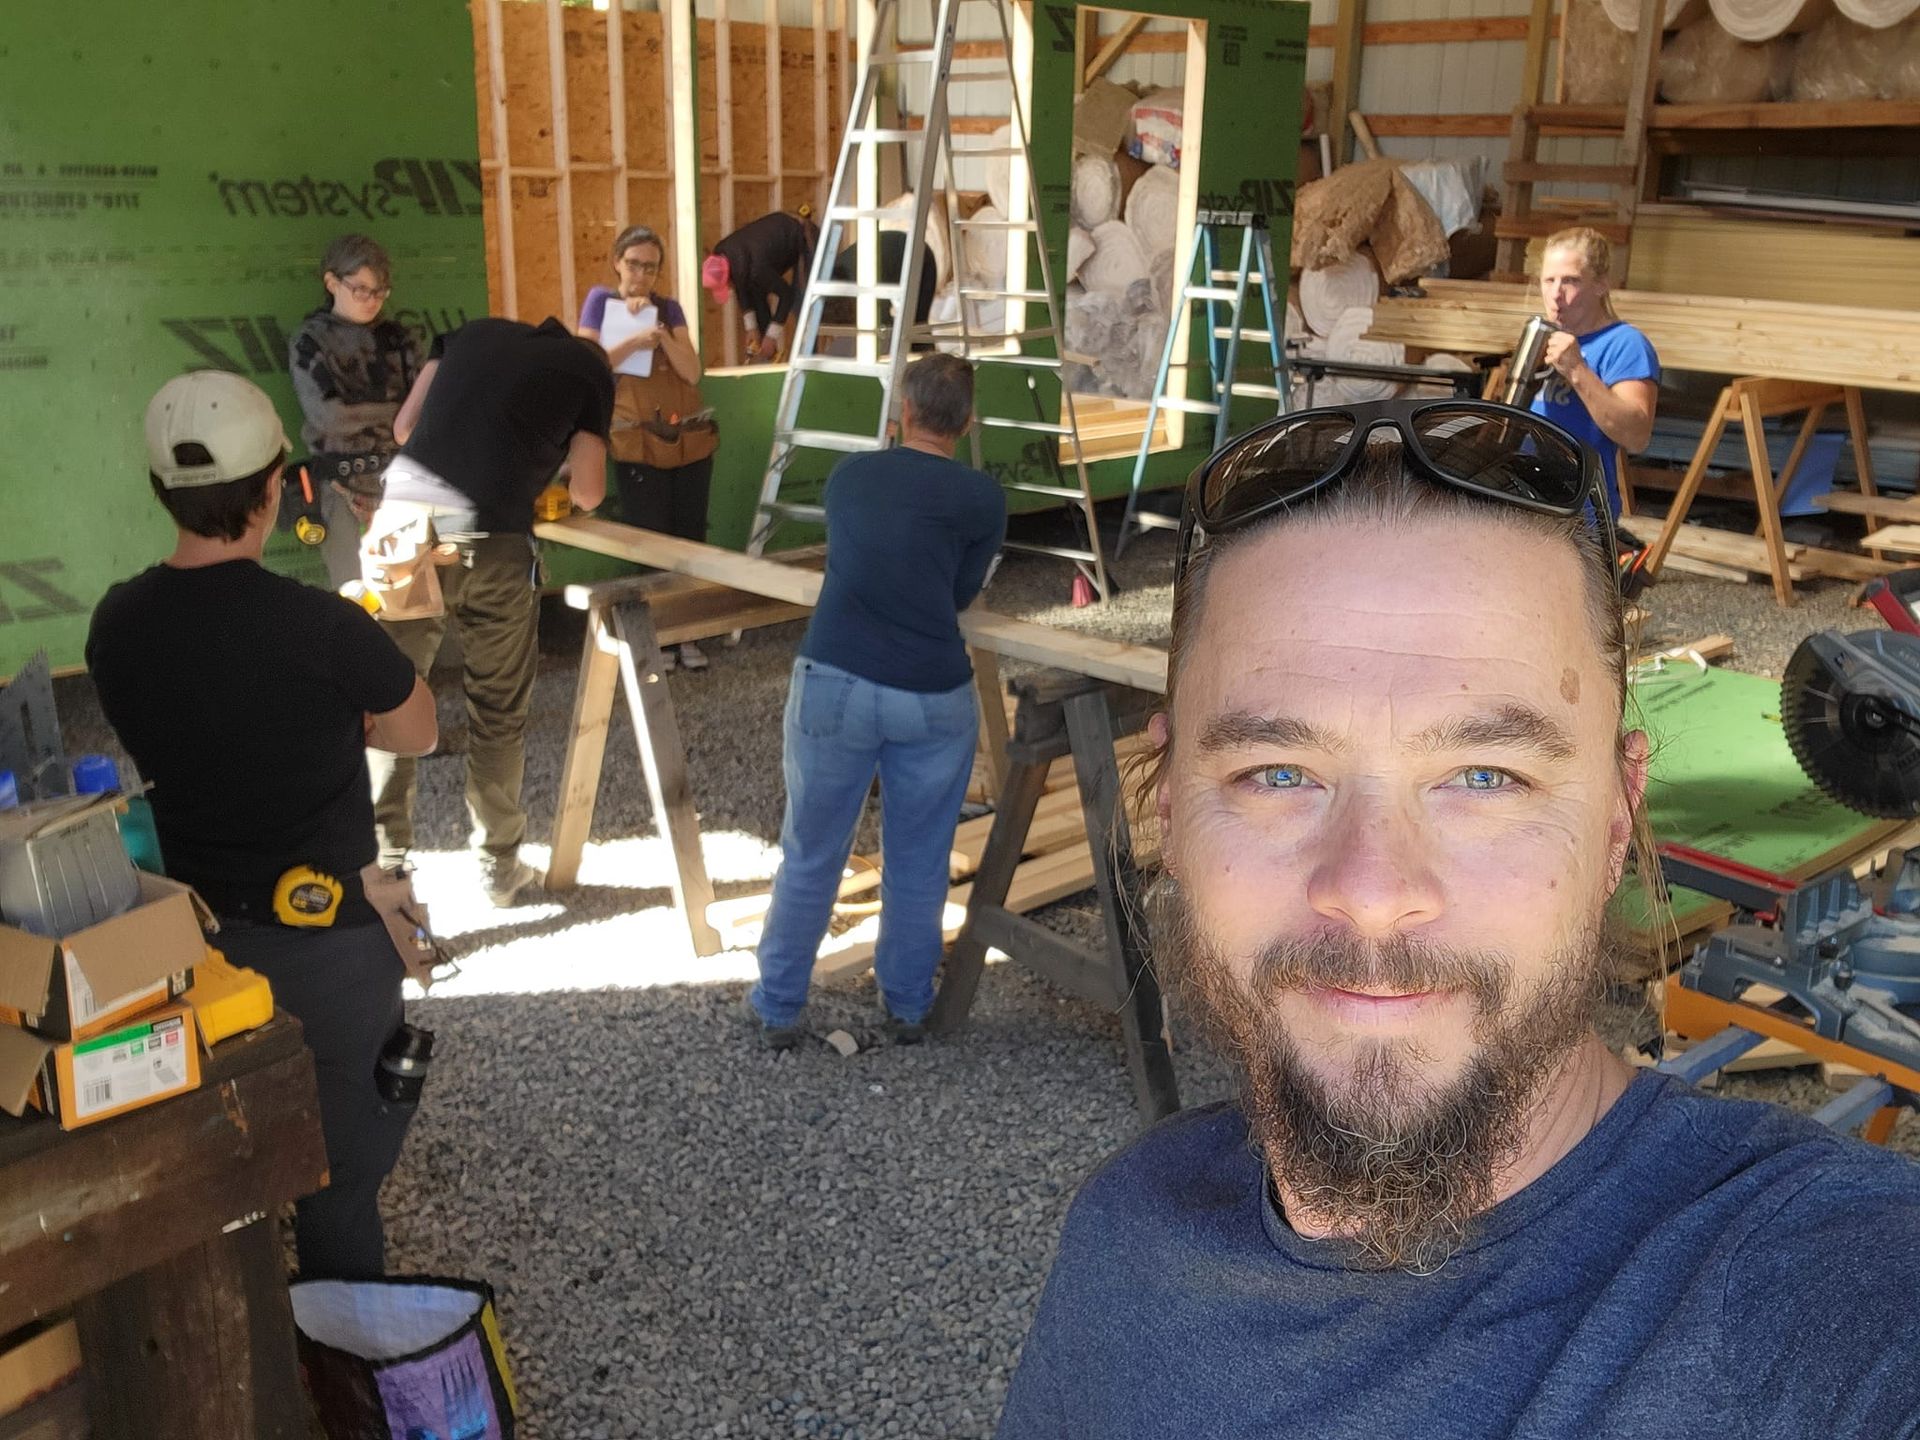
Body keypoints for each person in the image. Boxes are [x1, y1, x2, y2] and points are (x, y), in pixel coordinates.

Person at [995, 399, 1920, 1436]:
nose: (1374, 886)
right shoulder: (1123, 1242)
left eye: (1483, 775)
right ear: (1168, 805)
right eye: (1280, 772)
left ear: (1617, 818)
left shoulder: (1829, 1296)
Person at [87, 372, 439, 1279]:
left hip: (189, 945)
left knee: (217, 1172)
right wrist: (341, 717)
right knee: (340, 1183)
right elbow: (419, 730)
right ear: (277, 487)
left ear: (161, 491)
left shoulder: (118, 624)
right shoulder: (321, 625)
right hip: (328, 946)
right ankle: (342, 1354)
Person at [747, 354, 1006, 1049]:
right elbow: (957, 594)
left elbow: (866, 558)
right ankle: (908, 1006)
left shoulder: (850, 478)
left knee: (812, 851)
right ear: (967, 422)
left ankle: (777, 1008)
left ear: (903, 413)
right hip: (932, 691)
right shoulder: (983, 498)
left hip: (836, 677)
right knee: (920, 859)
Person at [371, 316, 614, 903]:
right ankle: (498, 869)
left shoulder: (468, 334)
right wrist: (541, 461)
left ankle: (387, 871)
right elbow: (587, 492)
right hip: (492, 539)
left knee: (388, 698)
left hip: (402, 525)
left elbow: (405, 428)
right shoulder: (591, 371)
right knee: (497, 711)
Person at [579, 223, 717, 672]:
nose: (641, 274)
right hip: (634, 439)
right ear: (617, 262)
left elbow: (692, 372)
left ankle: (689, 634)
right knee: (650, 537)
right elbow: (588, 364)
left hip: (684, 438)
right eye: (634, 263)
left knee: (689, 534)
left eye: (651, 267)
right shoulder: (601, 301)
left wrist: (660, 330)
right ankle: (657, 636)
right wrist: (634, 339)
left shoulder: (670, 308)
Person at [287, 233, 424, 587]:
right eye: (361, 289)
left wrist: (387, 414)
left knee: (415, 601)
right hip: (339, 488)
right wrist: (398, 413)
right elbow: (328, 417)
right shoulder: (310, 340)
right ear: (332, 282)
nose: (372, 300)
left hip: (402, 488)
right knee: (353, 597)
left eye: (380, 291)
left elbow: (425, 411)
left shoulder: (401, 338)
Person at [1530, 225, 1658, 518]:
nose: (1555, 295)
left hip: (1580, 512)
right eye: (1548, 280)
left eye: (1570, 281)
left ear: (1601, 284)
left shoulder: (1625, 343)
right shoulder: (1542, 336)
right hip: (1526, 498)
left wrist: (1577, 370)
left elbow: (1637, 436)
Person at [703, 209, 819, 363]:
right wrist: (751, 328)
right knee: (755, 292)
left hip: (803, 235)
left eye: (727, 285)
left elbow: (786, 295)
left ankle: (809, 363)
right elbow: (741, 288)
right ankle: (769, 357)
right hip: (773, 241)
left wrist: (771, 336)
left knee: (802, 304)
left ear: (729, 276)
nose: (729, 288)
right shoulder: (726, 256)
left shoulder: (756, 269)